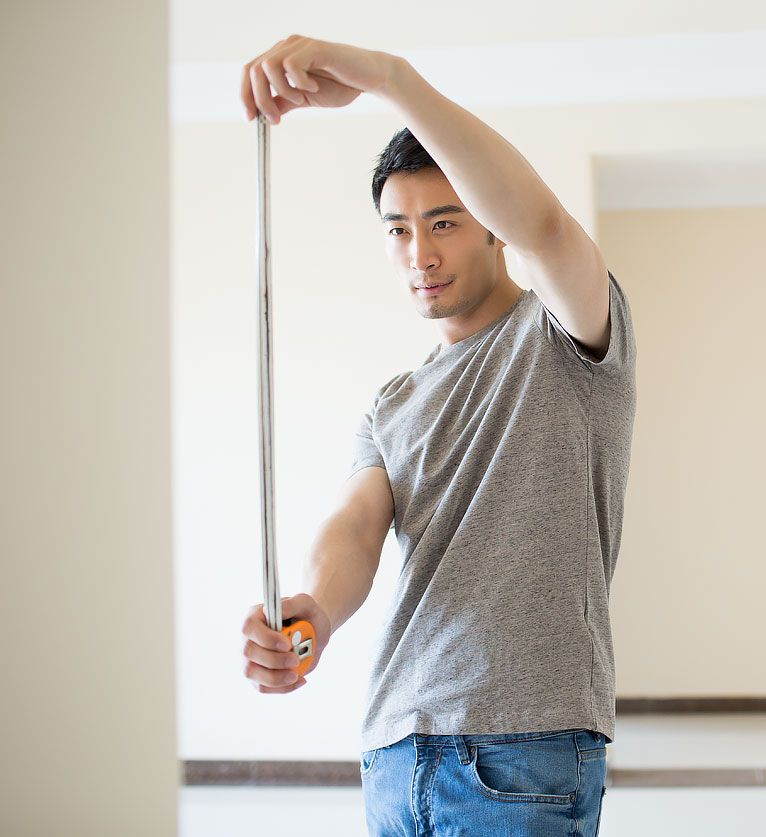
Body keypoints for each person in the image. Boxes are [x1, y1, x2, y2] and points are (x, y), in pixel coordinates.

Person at [237, 35, 636, 837]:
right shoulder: (393, 401)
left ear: (487, 226)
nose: (419, 252)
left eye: (444, 221)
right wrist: (311, 611)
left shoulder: (566, 331)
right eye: (397, 229)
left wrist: (389, 79)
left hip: (522, 748)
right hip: (395, 748)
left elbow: (547, 226)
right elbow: (355, 526)